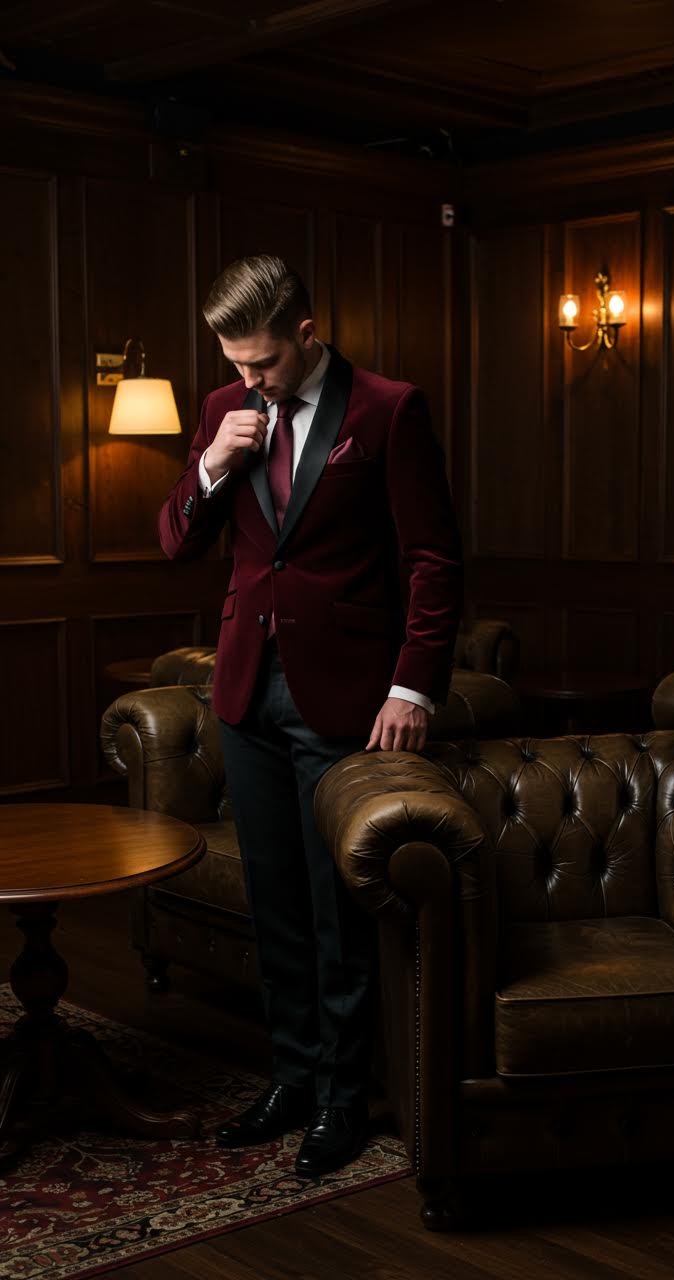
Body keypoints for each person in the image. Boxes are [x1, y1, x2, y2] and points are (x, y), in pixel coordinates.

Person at [159, 255, 463, 1177]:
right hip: (248, 689)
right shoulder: (222, 412)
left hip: (347, 697)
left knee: (337, 909)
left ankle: (342, 1097)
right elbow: (176, 542)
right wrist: (213, 464)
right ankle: (290, 1078)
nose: (249, 381)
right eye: (235, 364)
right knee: (276, 900)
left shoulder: (387, 408)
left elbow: (434, 561)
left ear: (306, 329)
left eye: (264, 364)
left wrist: (413, 686)